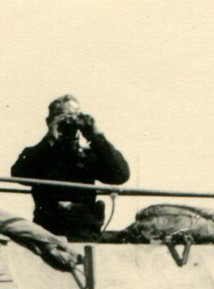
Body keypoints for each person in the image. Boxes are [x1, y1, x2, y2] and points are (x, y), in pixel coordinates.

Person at [11, 94, 130, 241]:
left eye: (74, 116)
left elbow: (120, 175)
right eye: (62, 116)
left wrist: (96, 137)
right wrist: (49, 140)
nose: (69, 122)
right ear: (49, 121)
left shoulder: (89, 156)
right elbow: (18, 174)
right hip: (48, 227)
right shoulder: (39, 153)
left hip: (83, 229)